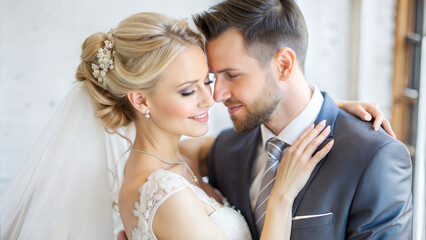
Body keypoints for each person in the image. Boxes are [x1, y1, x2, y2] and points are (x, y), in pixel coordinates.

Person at [1, 11, 393, 240]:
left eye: (208, 81)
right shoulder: (161, 192)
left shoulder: (176, 157)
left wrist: (318, 108)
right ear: (140, 100)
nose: (213, 98)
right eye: (190, 91)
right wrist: (281, 200)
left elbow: (241, 142)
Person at [182, 0, 412, 239]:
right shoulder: (226, 150)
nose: (217, 95)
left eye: (232, 75)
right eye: (214, 77)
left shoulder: (374, 156)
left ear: (284, 65)